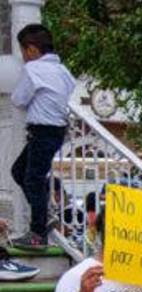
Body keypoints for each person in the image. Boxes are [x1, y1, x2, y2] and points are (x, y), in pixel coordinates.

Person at [8, 24, 75, 250]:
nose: (24, 58)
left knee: (32, 179)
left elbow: (19, 99)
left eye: (23, 51)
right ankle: (45, 215)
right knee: (20, 172)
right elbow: (70, 86)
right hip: (56, 131)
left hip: (42, 130)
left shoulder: (34, 69)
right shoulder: (62, 70)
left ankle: (37, 234)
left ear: (32, 50)